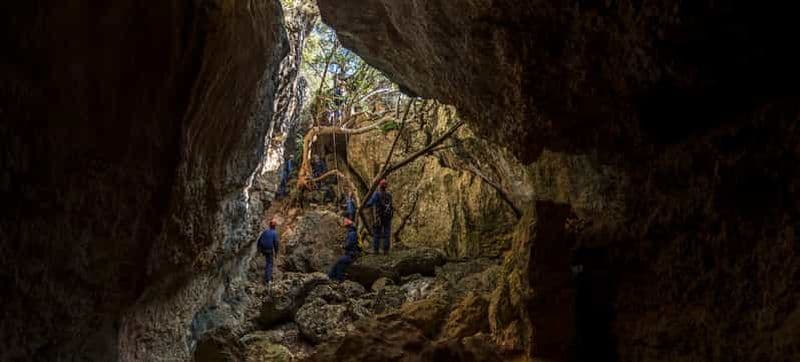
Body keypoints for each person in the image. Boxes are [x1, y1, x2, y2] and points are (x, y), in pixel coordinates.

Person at [366, 179, 393, 254]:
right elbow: (391, 206)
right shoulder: (389, 194)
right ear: (386, 186)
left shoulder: (376, 194)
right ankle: (386, 250)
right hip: (388, 217)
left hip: (379, 218)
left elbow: (370, 203)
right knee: (387, 233)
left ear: (379, 186)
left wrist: (362, 206)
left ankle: (376, 250)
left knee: (377, 234)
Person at [256, 220, 280, 285]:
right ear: (275, 227)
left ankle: (267, 277)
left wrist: (259, 250)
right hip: (269, 250)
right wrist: (276, 252)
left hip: (263, 249)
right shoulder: (274, 233)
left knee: (267, 262)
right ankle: (268, 280)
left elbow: (259, 240)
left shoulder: (265, 231)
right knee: (269, 263)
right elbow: (276, 243)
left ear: (269, 225)